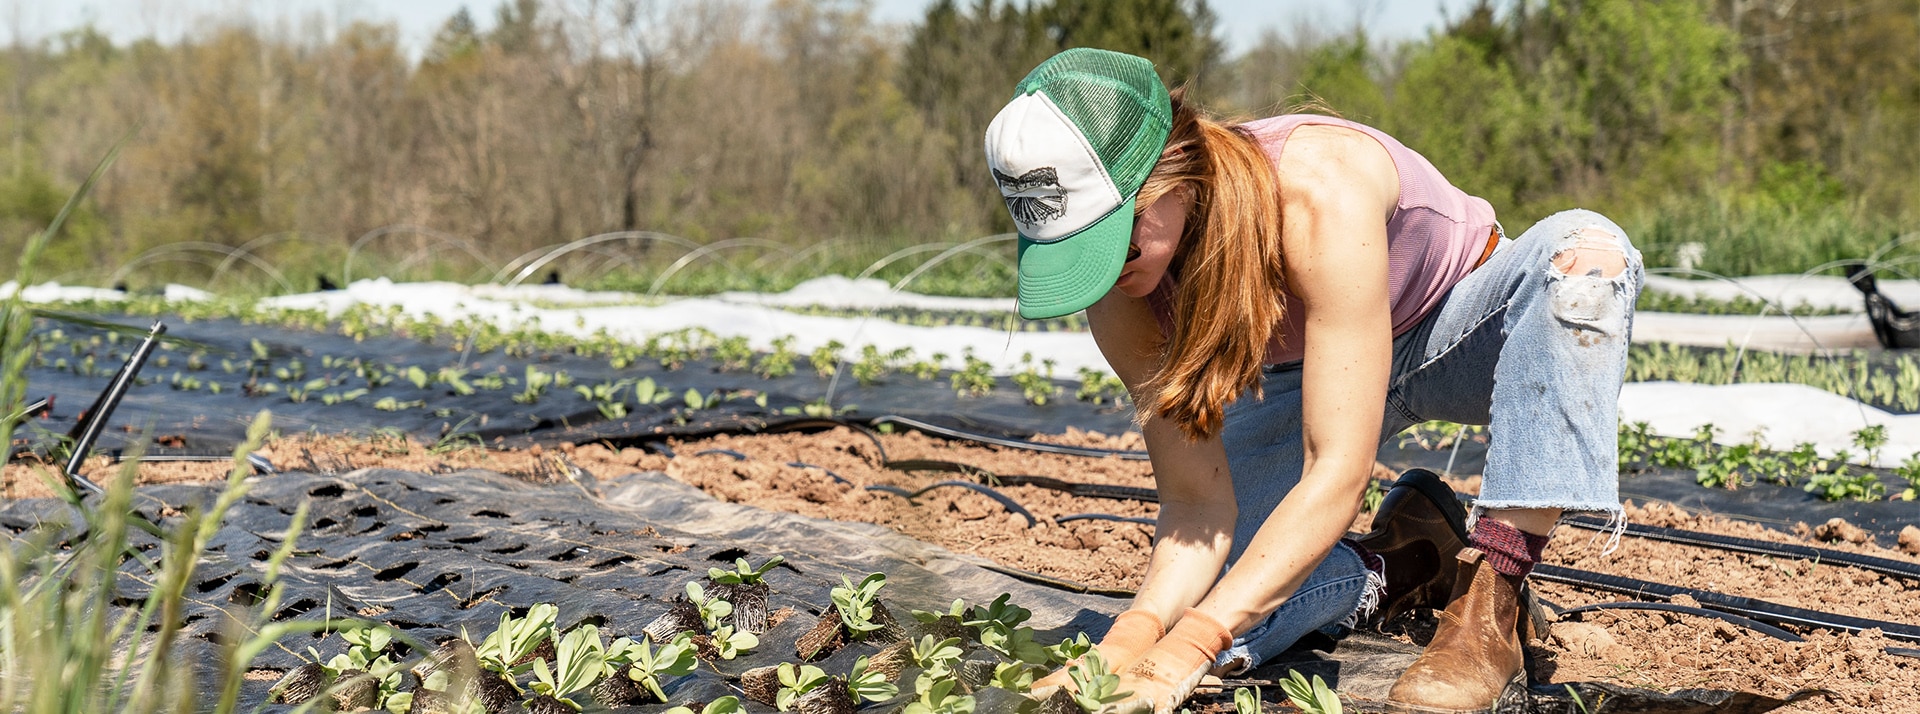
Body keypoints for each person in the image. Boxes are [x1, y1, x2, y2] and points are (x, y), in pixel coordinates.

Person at [984, 48, 1642, 714]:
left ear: (1171, 175)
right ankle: (1404, 561)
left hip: (1459, 330)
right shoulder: (1121, 293)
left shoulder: (1313, 187)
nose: (1105, 272)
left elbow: (1337, 472)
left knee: (1587, 258)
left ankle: (1492, 605)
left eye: (1112, 240)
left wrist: (1195, 642)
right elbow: (1196, 508)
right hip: (1314, 374)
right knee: (1236, 582)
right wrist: (1134, 636)